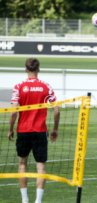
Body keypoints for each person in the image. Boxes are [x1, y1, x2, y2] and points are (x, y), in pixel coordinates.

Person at [7, 58, 60, 203]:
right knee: (41, 167)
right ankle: (38, 201)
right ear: (38, 69)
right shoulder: (45, 86)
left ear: (26, 69)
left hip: (23, 131)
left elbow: (13, 111)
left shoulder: (19, 86)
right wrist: (55, 129)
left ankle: (25, 200)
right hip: (40, 131)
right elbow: (56, 109)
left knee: (22, 164)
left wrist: (10, 129)